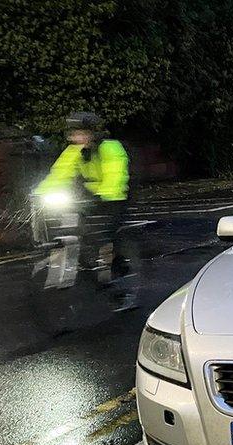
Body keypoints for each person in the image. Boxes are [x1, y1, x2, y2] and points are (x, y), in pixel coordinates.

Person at [34, 112, 135, 308]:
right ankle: (91, 268)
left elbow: (115, 175)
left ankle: (118, 278)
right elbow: (58, 174)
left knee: (106, 236)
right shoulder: (74, 152)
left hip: (115, 196)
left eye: (81, 133)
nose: (76, 138)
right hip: (93, 197)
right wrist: (40, 193)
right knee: (77, 231)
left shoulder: (110, 148)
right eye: (73, 134)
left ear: (92, 134)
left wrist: (103, 196)